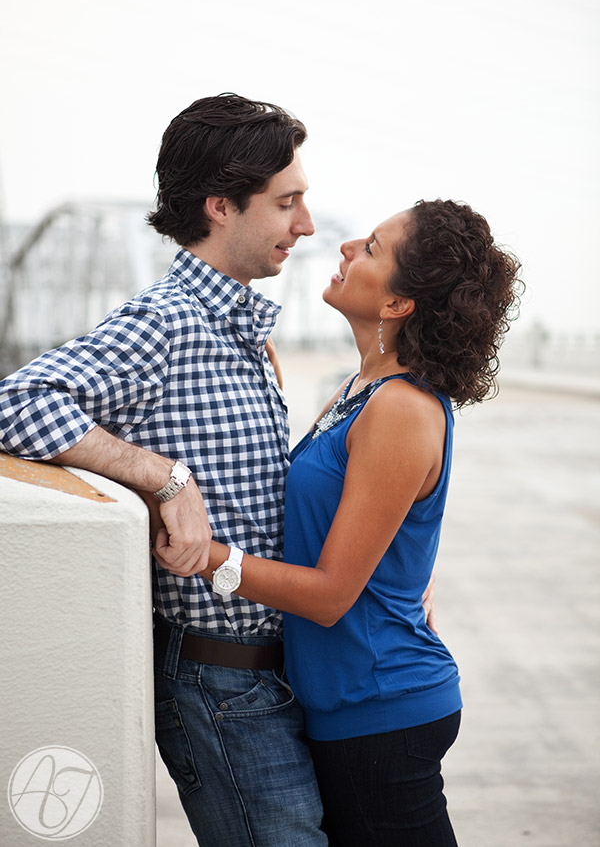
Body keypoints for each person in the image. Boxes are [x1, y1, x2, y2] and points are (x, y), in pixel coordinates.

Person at [0, 94, 329, 847]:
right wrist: (163, 476)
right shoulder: (167, 322)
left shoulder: (238, 330)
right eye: (286, 204)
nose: (306, 226)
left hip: (266, 674)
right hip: (221, 681)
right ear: (221, 206)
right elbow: (16, 402)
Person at [180, 198, 523, 846]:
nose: (344, 248)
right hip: (354, 704)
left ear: (398, 304)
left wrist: (204, 557)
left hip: (381, 710)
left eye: (370, 248)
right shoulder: (358, 389)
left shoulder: (401, 408)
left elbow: (332, 595)